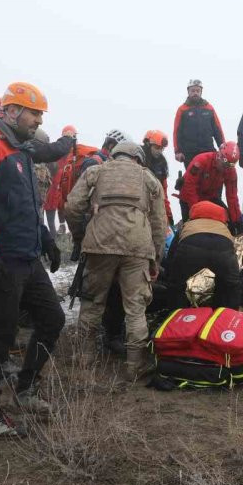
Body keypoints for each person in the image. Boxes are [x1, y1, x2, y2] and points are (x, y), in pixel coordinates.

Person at [0, 82, 65, 438]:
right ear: (13, 111)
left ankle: (26, 388)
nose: (38, 120)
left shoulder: (19, 151)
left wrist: (46, 238)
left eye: (40, 115)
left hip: (27, 255)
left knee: (52, 318)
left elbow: (26, 206)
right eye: (34, 113)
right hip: (2, 257)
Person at [65, 141, 167, 380]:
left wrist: (82, 236)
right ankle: (134, 366)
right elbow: (159, 224)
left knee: (92, 302)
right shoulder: (149, 178)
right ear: (138, 159)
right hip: (137, 247)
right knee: (135, 308)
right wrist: (156, 259)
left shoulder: (96, 171)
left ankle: (85, 360)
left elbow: (72, 207)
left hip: (100, 244)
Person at [164, 200, 242, 311]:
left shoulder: (188, 224)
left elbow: (172, 254)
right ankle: (226, 315)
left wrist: (170, 275)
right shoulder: (223, 226)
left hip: (190, 247)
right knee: (229, 285)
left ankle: (177, 314)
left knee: (176, 284)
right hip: (222, 247)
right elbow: (231, 252)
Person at [177, 142, 243, 229]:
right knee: (192, 228)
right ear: (219, 155)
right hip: (188, 198)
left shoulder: (230, 170)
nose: (225, 168)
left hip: (210, 198)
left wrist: (236, 220)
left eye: (230, 165)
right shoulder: (200, 161)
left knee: (230, 223)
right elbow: (189, 188)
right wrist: (199, 211)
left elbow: (232, 196)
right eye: (224, 164)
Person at [173, 79, 225, 168]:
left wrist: (223, 146)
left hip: (208, 150)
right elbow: (177, 132)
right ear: (188, 92)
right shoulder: (182, 109)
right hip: (189, 153)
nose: (195, 93)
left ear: (201, 92)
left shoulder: (209, 108)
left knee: (210, 178)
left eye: (198, 91)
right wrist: (178, 151)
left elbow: (217, 129)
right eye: (192, 91)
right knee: (192, 180)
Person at [43, 124, 78, 234]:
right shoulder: (63, 153)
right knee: (53, 213)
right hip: (56, 187)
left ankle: (62, 229)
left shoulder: (71, 152)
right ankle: (60, 230)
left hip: (61, 186)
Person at [142, 130, 175, 226]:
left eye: (162, 148)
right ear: (148, 144)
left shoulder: (162, 164)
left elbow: (163, 193)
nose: (160, 151)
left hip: (155, 205)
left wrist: (168, 215)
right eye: (157, 147)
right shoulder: (137, 158)